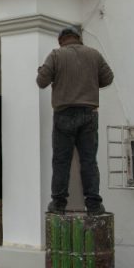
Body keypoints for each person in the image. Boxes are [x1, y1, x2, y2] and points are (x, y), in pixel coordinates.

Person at [36, 26, 114, 215]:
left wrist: (44, 71)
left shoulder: (56, 55)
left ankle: (58, 204)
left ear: (61, 40)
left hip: (64, 114)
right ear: (79, 39)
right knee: (89, 161)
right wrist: (91, 82)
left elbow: (41, 81)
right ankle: (94, 205)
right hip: (89, 113)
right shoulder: (94, 54)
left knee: (61, 161)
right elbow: (108, 78)